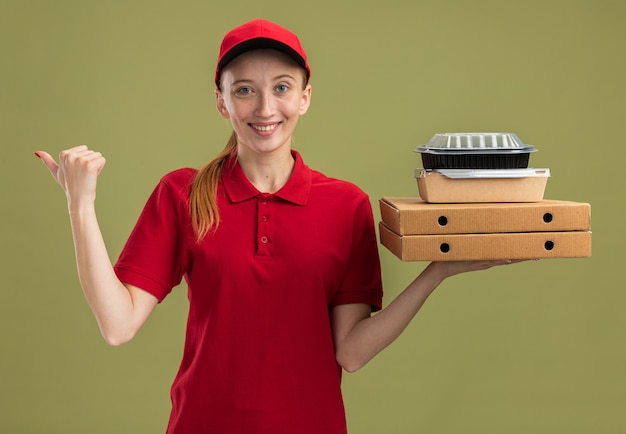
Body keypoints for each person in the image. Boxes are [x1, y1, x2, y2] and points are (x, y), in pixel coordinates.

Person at [35, 18, 524, 434]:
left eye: (281, 88)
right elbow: (118, 325)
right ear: (222, 101)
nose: (265, 109)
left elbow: (350, 353)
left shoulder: (345, 206)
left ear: (305, 97)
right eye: (244, 90)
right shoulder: (182, 194)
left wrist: (436, 271)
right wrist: (81, 207)